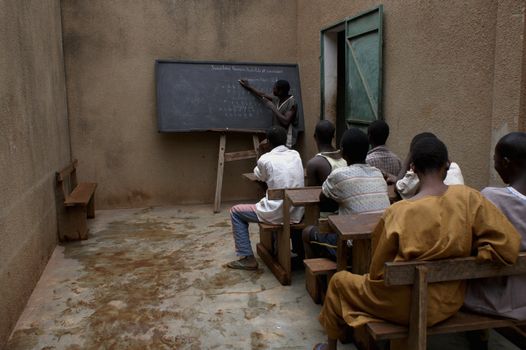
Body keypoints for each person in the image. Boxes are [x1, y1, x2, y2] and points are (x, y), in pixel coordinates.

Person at [314, 137, 521, 350]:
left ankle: (329, 347)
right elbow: (508, 245)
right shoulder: (471, 198)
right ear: (447, 164)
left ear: (412, 168)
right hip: (448, 301)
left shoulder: (398, 213)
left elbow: (377, 272)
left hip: (403, 306)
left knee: (339, 281)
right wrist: (476, 253)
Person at [464, 132, 526, 319]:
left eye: (495, 160)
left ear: (506, 162)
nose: (495, 165)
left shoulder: (490, 198)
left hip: (497, 300)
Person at [302, 128, 390, 260]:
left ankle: (322, 280)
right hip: (382, 245)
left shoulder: (339, 175)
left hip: (353, 248)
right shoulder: (377, 173)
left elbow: (323, 199)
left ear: (342, 152)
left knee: (307, 232)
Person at [226, 126, 304, 270]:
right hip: (296, 212)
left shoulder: (265, 159)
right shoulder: (296, 155)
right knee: (274, 200)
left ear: (267, 142)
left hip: (276, 213)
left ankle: (247, 258)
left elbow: (259, 175)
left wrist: (262, 151)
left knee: (236, 211)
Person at [396, 132, 464, 199]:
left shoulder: (417, 173)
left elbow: (399, 188)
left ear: (413, 167)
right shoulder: (455, 167)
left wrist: (410, 155)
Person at [239, 79, 299, 148]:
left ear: (280, 91)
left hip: (287, 140)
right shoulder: (278, 98)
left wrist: (273, 107)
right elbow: (263, 94)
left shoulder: (292, 103)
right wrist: (249, 86)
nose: (273, 90)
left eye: (274, 89)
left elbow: (285, 121)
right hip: (277, 137)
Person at [305, 120, 347, 187]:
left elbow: (311, 192)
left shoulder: (313, 164)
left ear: (315, 136)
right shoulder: (345, 156)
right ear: (333, 136)